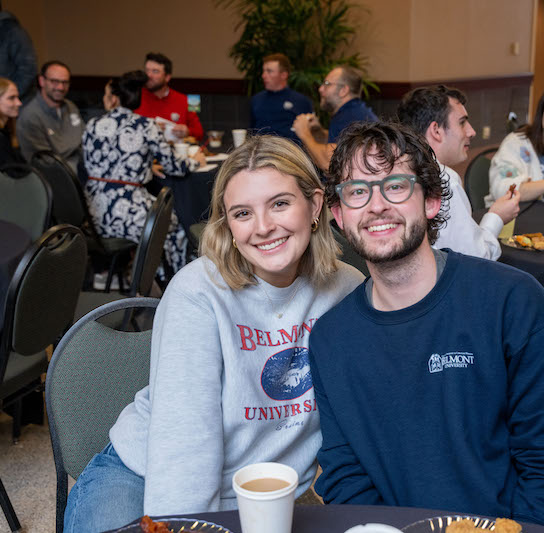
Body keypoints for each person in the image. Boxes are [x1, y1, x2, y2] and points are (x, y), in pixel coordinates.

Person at [63, 135, 365, 533]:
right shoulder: (198, 292)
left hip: (265, 493)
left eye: (279, 203)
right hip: (146, 474)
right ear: (227, 223)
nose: (263, 228)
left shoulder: (347, 290)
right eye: (242, 213)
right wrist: (185, 527)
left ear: (314, 204)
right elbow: (185, 443)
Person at [308, 121, 544, 532]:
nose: (376, 206)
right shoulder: (331, 340)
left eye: (395, 186)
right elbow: (345, 473)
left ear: (429, 201)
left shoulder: (512, 301)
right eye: (358, 191)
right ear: (338, 215)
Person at [82, 70, 206, 274]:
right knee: (176, 222)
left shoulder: (92, 125)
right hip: (124, 212)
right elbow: (175, 167)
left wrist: (145, 166)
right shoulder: (146, 126)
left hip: (93, 214)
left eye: (105, 94)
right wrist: (194, 161)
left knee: (161, 219)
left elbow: (101, 164)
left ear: (113, 99)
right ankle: (167, 282)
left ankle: (147, 275)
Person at [396, 85, 520, 260]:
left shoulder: (395, 170)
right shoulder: (443, 178)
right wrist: (496, 217)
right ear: (436, 130)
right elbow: (473, 259)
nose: (471, 131)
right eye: (462, 122)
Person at [292, 65, 378, 171]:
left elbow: (330, 164)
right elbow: (341, 144)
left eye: (327, 84)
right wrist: (318, 131)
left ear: (343, 90)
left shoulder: (349, 117)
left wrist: (304, 133)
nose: (320, 89)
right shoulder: (353, 112)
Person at [16, 60, 84, 170]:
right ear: (42, 81)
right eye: (54, 81)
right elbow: (44, 162)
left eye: (65, 82)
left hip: (82, 167)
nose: (60, 87)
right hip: (53, 175)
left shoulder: (71, 107)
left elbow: (82, 142)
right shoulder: (30, 116)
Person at [134, 52, 205, 142]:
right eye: (147, 71)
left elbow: (200, 133)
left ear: (167, 77)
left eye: (155, 71)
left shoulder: (188, 100)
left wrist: (188, 131)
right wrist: (148, 128)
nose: (149, 75)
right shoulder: (134, 96)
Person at [251, 53, 313, 142]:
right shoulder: (256, 99)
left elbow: (308, 135)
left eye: (269, 71)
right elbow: (251, 131)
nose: (263, 75)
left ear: (283, 75)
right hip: (261, 152)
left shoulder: (300, 101)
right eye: (263, 71)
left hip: (289, 152)